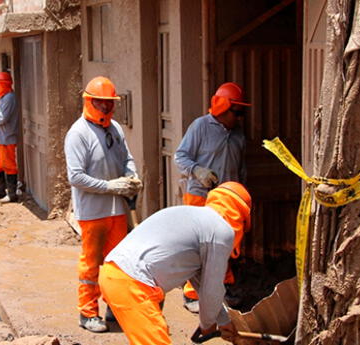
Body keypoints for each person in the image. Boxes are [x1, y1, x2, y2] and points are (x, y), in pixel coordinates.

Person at [99, 182, 251, 345]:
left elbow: (201, 284)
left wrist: (223, 321)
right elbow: (211, 290)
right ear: (239, 217)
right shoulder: (222, 231)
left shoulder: (196, 219)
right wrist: (208, 325)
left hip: (114, 273)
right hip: (133, 284)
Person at [64, 76, 142, 333]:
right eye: (101, 103)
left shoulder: (115, 129)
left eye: (110, 104)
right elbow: (76, 176)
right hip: (93, 211)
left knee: (117, 263)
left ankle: (114, 309)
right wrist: (110, 187)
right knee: (91, 264)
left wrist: (131, 177)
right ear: (89, 101)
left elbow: (127, 158)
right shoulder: (78, 134)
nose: (106, 108)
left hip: (117, 209)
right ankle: (87, 313)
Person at [174, 81, 251, 312]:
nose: (238, 117)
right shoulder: (200, 127)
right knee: (197, 246)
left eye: (241, 112)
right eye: (236, 111)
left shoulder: (238, 134)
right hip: (199, 196)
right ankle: (191, 294)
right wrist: (198, 171)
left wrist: (242, 193)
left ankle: (221, 289)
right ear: (222, 107)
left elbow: (242, 167)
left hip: (226, 200)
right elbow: (180, 156)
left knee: (224, 244)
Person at [0, 71, 19, 202]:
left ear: (3, 84)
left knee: (9, 166)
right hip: (1, 139)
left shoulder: (9, 98)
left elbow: (2, 119)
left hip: (7, 138)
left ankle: (12, 195)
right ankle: (0, 191)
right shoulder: (3, 98)